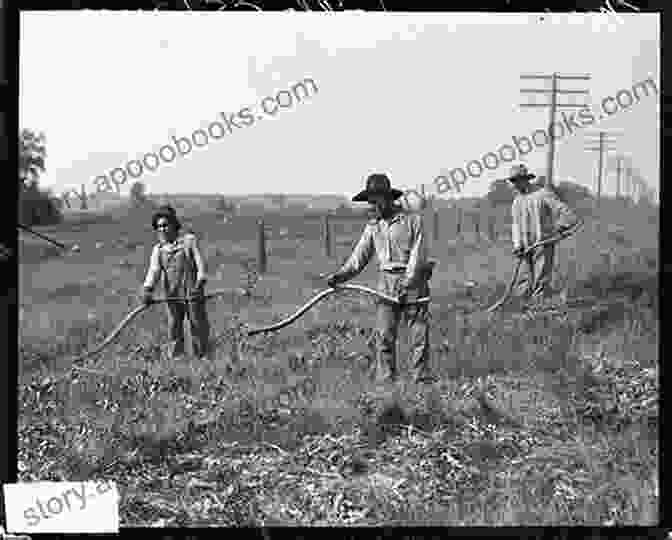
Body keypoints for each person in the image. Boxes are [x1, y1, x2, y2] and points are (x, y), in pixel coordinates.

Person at [323, 173, 436, 384]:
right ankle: (386, 381)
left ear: (388, 197)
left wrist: (408, 281)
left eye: (377, 200)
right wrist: (341, 276)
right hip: (386, 282)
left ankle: (421, 379)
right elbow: (360, 256)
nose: (374, 205)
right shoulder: (373, 226)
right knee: (384, 334)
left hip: (413, 281)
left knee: (418, 333)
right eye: (370, 202)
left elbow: (418, 254)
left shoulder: (413, 221)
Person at [141, 204, 211, 359]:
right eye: (159, 226)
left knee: (197, 324)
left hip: (191, 292)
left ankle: (203, 357)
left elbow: (199, 262)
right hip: (171, 295)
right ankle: (176, 359)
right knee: (174, 327)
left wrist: (200, 280)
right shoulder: (158, 250)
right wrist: (148, 289)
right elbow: (154, 271)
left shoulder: (188, 242)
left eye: (165, 225)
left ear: (173, 224)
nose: (162, 229)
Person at [506, 164, 582, 304]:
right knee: (524, 278)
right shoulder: (516, 202)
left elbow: (562, 210)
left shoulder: (542, 194)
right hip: (525, 246)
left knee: (541, 277)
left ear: (526, 179)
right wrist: (517, 245)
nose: (516, 184)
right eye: (513, 181)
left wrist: (563, 225)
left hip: (543, 242)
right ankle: (521, 304)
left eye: (518, 180)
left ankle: (538, 306)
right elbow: (515, 225)